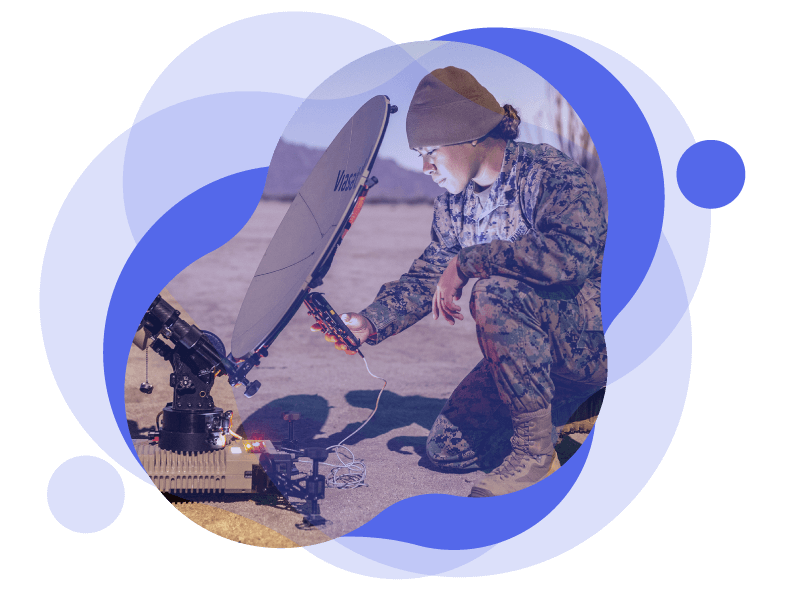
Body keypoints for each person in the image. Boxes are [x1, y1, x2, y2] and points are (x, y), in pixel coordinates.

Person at [313, 66, 608, 497]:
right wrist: (370, 321)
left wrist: (470, 263)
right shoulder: (455, 207)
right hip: (533, 357)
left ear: (472, 135)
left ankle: (533, 454)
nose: (427, 167)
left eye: (431, 149)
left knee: (495, 293)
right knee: (445, 451)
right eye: (419, 155)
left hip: (593, 340)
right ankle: (568, 413)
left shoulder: (549, 173)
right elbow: (429, 273)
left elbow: (569, 257)